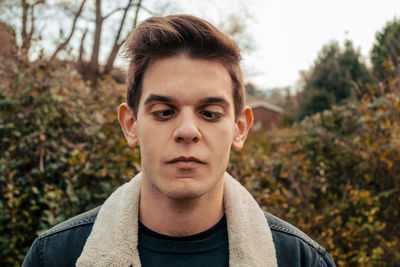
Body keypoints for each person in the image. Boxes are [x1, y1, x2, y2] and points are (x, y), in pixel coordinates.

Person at [23, 14, 336, 267]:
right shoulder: (53, 257)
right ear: (130, 125)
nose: (187, 130)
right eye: (163, 112)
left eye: (210, 113)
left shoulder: (301, 259)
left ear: (240, 128)